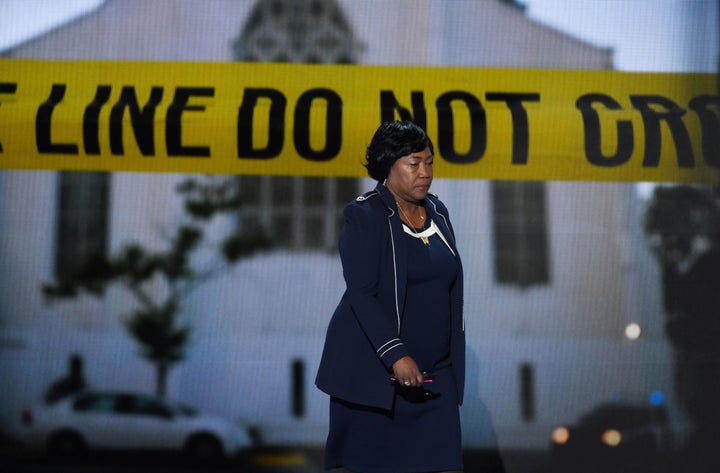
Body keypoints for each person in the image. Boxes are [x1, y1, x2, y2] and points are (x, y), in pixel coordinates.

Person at [316, 120, 465, 473]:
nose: (425, 172)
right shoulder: (365, 216)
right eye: (414, 163)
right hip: (375, 380)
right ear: (388, 165)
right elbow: (362, 294)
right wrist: (397, 356)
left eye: (429, 162)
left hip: (434, 377)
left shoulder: (439, 212)